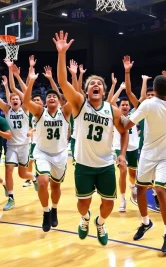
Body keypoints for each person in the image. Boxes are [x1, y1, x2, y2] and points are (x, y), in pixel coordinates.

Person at [54, 30, 128, 246]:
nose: (95, 86)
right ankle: (85, 219)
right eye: (91, 85)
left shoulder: (113, 110)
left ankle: (100, 222)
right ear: (86, 92)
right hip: (84, 164)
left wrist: (122, 155)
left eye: (99, 84)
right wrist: (61, 54)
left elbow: (124, 132)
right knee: (83, 203)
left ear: (104, 91)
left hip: (105, 164)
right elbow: (62, 81)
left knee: (108, 204)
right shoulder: (78, 104)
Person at [122, 44, 166, 254]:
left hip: (162, 156)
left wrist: (115, 115)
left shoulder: (148, 104)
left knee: (158, 191)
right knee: (142, 190)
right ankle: (146, 223)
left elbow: (126, 125)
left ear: (154, 90)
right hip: (149, 155)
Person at [23, 64, 72, 232]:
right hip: (42, 153)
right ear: (45, 101)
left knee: (56, 187)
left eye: (54, 96)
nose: (52, 98)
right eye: (49, 96)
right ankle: (46, 212)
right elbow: (25, 100)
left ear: (59, 101)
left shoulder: (65, 112)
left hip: (60, 154)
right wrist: (31, 81)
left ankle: (55, 209)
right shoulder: (39, 111)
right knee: (43, 182)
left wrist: (55, 79)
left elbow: (73, 96)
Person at [0, 65, 36, 211]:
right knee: (8, 170)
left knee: (22, 174)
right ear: (10, 100)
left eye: (17, 98)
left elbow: (25, 92)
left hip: (24, 146)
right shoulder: (7, 109)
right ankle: (11, 198)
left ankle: (33, 178)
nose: (15, 99)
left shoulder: (26, 108)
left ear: (20, 101)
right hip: (11, 146)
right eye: (12, 98)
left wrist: (14, 74)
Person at [110, 83, 139, 210]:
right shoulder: (116, 115)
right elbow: (111, 102)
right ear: (120, 107)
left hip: (133, 148)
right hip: (119, 147)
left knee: (133, 175)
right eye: (123, 105)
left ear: (130, 107)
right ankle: (122, 200)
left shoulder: (135, 115)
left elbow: (141, 100)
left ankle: (132, 187)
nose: (125, 106)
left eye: (127, 105)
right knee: (123, 170)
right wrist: (120, 88)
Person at [23, 94, 44, 187]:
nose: (36, 101)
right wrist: (30, 133)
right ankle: (29, 179)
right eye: (34, 100)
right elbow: (31, 126)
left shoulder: (46, 112)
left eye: (38, 100)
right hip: (35, 142)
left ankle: (46, 177)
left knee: (42, 161)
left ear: (42, 102)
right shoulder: (32, 113)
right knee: (30, 161)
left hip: (44, 142)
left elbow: (43, 127)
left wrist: (32, 130)